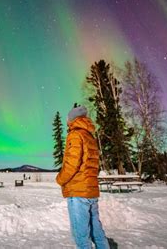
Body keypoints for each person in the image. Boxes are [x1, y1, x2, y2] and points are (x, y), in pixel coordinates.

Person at [56, 104, 109, 249]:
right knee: (96, 231)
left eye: (68, 119)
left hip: (78, 192)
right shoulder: (89, 135)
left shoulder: (75, 134)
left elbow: (72, 163)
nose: (67, 122)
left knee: (81, 235)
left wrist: (60, 179)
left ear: (72, 119)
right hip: (90, 190)